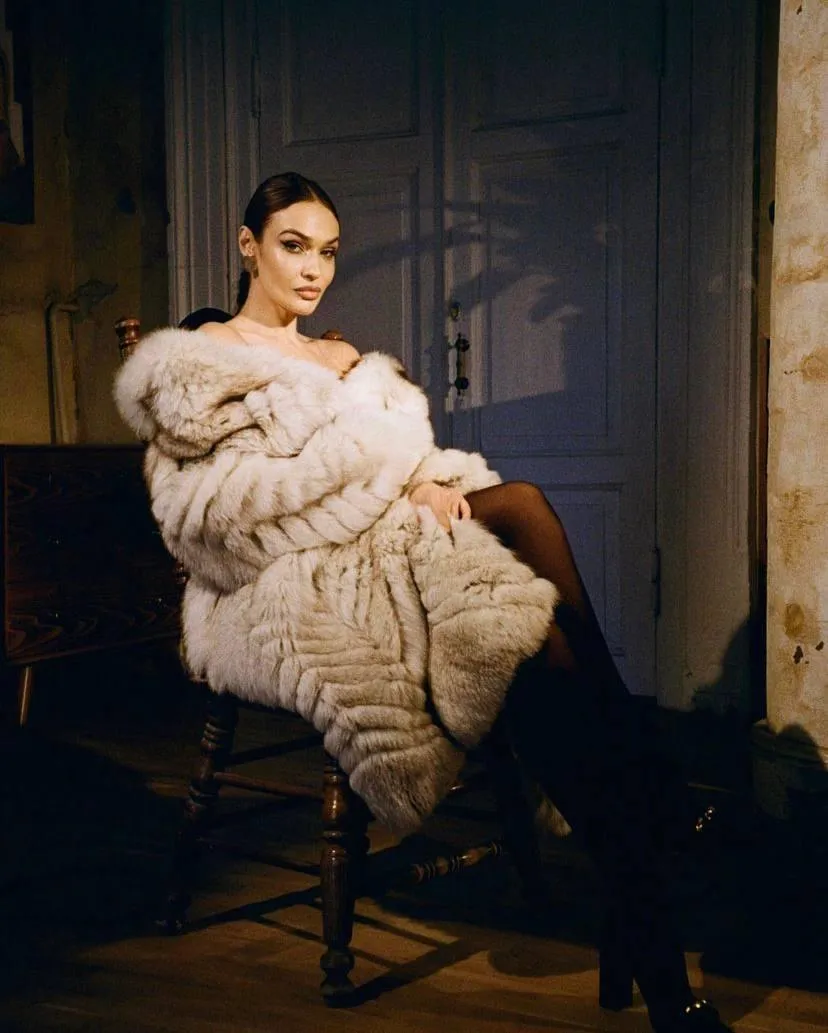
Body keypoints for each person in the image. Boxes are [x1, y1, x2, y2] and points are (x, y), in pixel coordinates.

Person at [116, 172, 730, 1033]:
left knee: (518, 510)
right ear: (248, 244)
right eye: (294, 246)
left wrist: (427, 481)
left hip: (380, 534)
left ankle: (638, 885)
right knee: (526, 634)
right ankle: (649, 885)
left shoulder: (335, 355)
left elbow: (399, 453)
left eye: (328, 251)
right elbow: (214, 523)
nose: (314, 269)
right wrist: (389, 488)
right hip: (301, 577)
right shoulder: (199, 367)